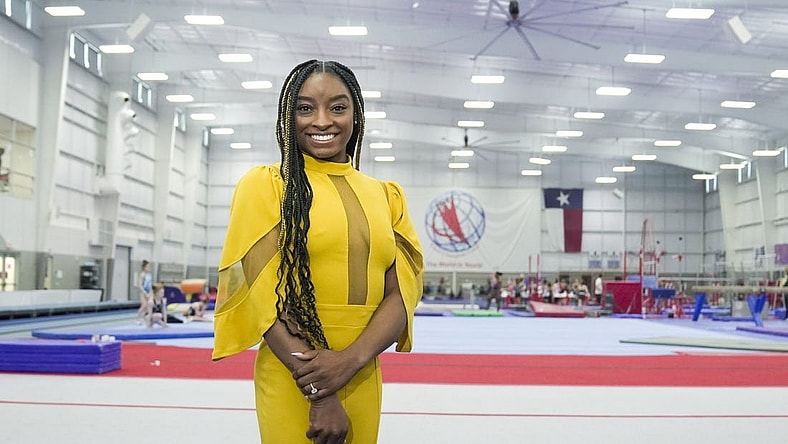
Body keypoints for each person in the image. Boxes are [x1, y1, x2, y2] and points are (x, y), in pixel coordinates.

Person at [212, 60, 424, 444]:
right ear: (288, 116)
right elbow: (260, 299)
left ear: (356, 114)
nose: (322, 121)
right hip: (294, 373)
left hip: (361, 372)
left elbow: (402, 294)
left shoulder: (386, 196)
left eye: (338, 107)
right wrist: (319, 392)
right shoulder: (266, 186)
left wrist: (350, 360)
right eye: (305, 107)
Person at [135, 260, 153, 324]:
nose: (149, 268)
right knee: (144, 305)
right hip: (143, 292)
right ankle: (137, 319)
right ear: (144, 267)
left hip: (149, 291)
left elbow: (149, 284)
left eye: (149, 266)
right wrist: (144, 292)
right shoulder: (142, 275)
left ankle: (148, 318)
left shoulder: (149, 275)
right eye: (148, 267)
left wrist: (151, 292)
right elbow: (140, 285)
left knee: (150, 305)